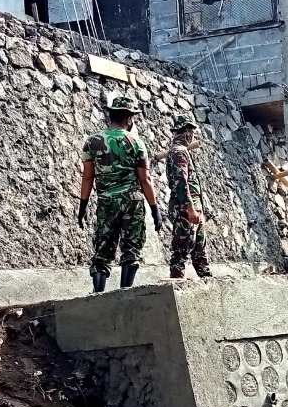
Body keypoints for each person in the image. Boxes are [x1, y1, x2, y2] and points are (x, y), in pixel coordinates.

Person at [78, 96, 163, 293]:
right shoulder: (136, 143)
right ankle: (125, 294)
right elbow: (145, 180)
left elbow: (88, 178)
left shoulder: (92, 141)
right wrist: (155, 209)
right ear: (128, 118)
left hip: (106, 202)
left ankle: (98, 294)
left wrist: (82, 207)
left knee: (102, 250)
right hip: (132, 202)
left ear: (111, 115)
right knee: (131, 250)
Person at [166, 115, 211, 280]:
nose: (191, 135)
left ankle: (207, 281)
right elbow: (181, 181)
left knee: (200, 248)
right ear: (183, 132)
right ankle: (177, 284)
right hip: (185, 208)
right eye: (189, 131)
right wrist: (190, 207)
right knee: (182, 248)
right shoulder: (178, 152)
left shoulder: (182, 151)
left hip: (194, 206)